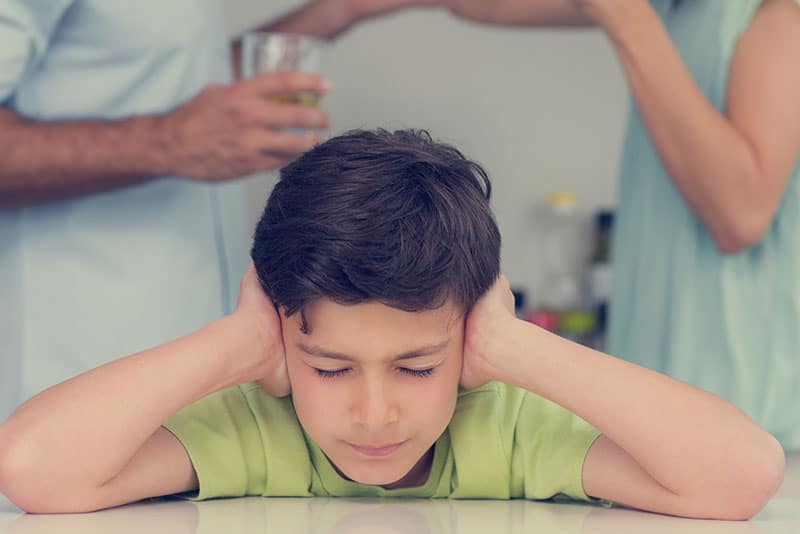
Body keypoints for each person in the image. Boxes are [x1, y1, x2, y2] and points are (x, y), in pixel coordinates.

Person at [0, 129, 784, 520]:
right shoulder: (256, 428)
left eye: (416, 367)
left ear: (471, 335)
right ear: (281, 338)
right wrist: (236, 343)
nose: (374, 415)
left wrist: (513, 347)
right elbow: (33, 467)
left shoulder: (508, 430)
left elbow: (741, 476)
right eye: (330, 368)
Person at [0, 0, 442, 421]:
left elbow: (167, 82)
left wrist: (343, 8)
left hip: (200, 379)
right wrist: (168, 140)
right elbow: (176, 126)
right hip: (67, 372)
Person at [441, 0, 800, 449]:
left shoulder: (778, 17)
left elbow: (742, 214)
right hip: (658, 427)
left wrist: (627, 16)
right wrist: (337, 15)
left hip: (758, 430)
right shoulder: (677, 11)